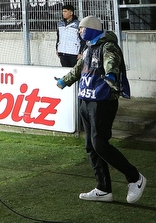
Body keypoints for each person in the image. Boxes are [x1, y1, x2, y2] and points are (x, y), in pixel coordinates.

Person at [56, 15, 146, 204]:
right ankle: (103, 188)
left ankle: (135, 177)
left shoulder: (108, 46)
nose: (79, 32)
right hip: (86, 100)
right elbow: (79, 68)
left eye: (81, 28)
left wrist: (111, 75)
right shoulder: (88, 48)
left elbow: (111, 62)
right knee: (91, 146)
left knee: (99, 144)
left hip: (103, 101)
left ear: (91, 29)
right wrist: (64, 81)